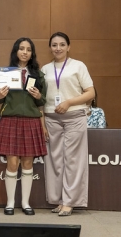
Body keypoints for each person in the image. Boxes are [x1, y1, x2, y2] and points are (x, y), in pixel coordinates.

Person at [41, 32, 95, 216]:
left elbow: (90, 93)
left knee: (73, 160)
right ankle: (58, 200)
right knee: (54, 160)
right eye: (54, 45)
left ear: (68, 47)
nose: (58, 48)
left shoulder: (78, 66)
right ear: (50, 48)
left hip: (74, 116)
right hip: (51, 118)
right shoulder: (45, 69)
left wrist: (69, 102)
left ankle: (70, 202)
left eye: (62, 44)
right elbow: (40, 98)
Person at [0, 37, 47, 216]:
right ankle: (10, 203)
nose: (25, 52)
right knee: (12, 163)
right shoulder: (5, 73)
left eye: (28, 49)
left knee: (28, 162)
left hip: (31, 121)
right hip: (10, 120)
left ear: (32, 54)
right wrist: (0, 95)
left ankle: (25, 203)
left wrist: (38, 95)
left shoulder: (38, 75)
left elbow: (42, 102)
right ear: (16, 51)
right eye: (21, 48)